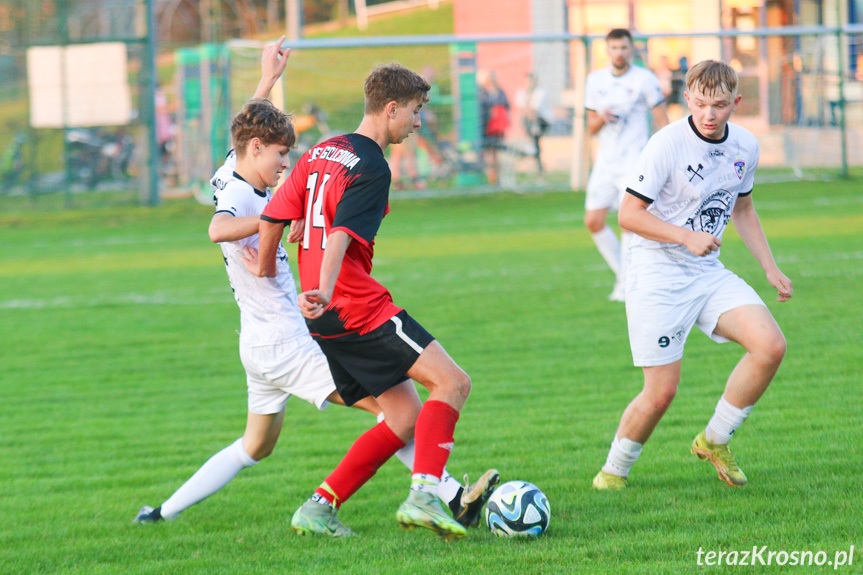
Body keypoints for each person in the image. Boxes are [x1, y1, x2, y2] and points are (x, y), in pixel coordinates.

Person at [134, 41, 498, 528]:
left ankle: (161, 513)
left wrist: (266, 79)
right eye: (280, 154)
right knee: (405, 409)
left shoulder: (233, 169)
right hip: (293, 336)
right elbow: (221, 229)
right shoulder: (246, 195)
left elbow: (249, 130)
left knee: (254, 446)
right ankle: (442, 496)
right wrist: (280, 224)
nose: (286, 164)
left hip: (259, 343)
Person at [249, 63, 484, 540]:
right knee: (453, 383)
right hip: (357, 307)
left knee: (401, 416)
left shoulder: (321, 150)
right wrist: (329, 288)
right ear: (391, 108)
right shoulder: (373, 165)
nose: (418, 123)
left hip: (325, 317)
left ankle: (318, 508)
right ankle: (424, 495)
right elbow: (338, 236)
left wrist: (266, 269)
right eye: (416, 112)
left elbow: (274, 214)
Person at [592, 60, 793, 491]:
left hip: (705, 272)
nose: (708, 114)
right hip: (656, 273)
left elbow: (743, 208)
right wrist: (684, 236)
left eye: (719, 105)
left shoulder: (745, 146)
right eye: (700, 104)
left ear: (736, 103)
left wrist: (770, 268)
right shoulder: (666, 145)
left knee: (770, 346)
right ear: (687, 99)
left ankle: (714, 440)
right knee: (661, 392)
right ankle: (613, 472)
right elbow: (628, 215)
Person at [584, 28, 669, 301]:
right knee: (593, 221)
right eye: (614, 48)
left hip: (634, 163)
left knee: (629, 223)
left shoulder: (644, 79)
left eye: (624, 47)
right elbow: (590, 128)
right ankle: (624, 275)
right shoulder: (595, 80)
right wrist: (601, 117)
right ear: (607, 51)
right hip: (606, 163)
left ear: (632, 49)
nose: (619, 53)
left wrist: (666, 156)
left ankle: (626, 285)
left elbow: (662, 120)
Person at [516, 72, 553, 178]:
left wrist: (530, 114)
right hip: (528, 121)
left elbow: (534, 109)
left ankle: (537, 163)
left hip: (541, 121)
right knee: (534, 143)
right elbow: (521, 107)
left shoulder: (540, 92)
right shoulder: (522, 92)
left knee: (536, 143)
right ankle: (536, 162)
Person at [478, 69, 509, 186]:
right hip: (487, 128)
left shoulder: (500, 92)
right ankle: (491, 177)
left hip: (498, 128)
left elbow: (506, 106)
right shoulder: (483, 92)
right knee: (488, 153)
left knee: (496, 153)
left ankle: (497, 177)